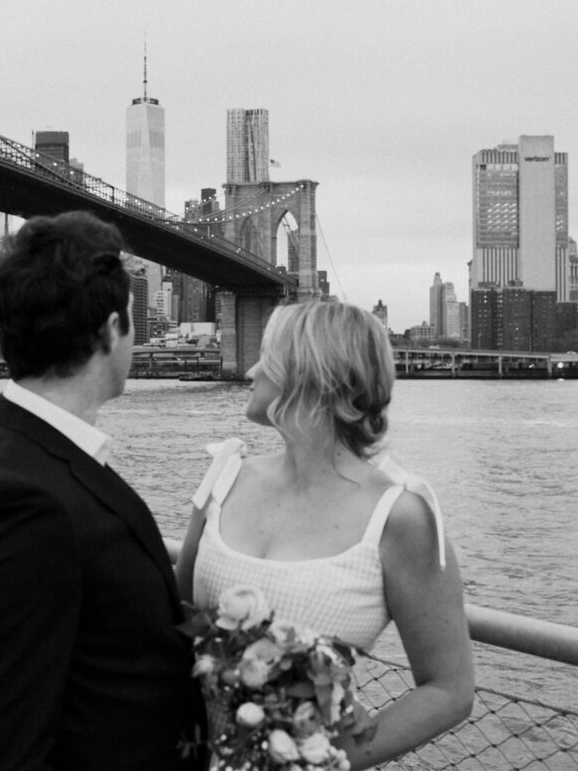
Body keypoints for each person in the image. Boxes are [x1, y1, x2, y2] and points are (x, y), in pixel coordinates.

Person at [0, 211, 207, 771]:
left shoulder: (29, 449)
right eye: (134, 321)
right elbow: (2, 744)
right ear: (112, 330)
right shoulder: (21, 500)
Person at [175, 300, 474, 766]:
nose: (250, 371)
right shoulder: (224, 477)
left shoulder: (401, 515)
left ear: (314, 378)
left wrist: (324, 758)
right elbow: (176, 622)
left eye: (267, 358)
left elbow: (449, 689)